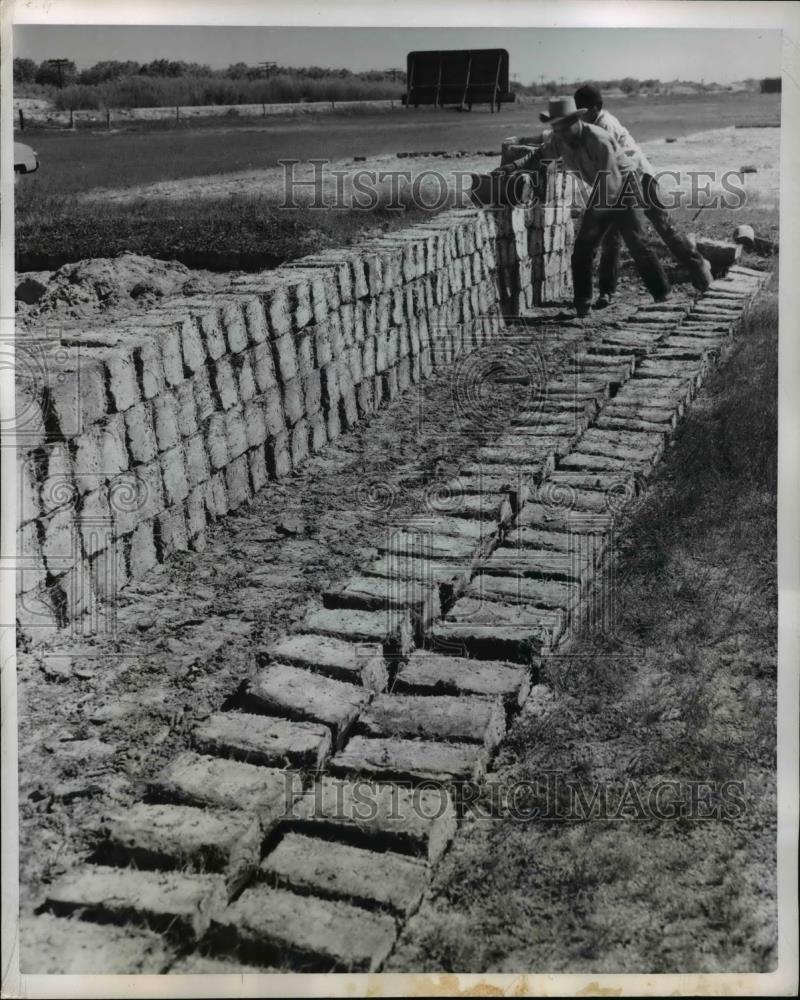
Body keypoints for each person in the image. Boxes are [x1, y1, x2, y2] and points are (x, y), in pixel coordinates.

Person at [497, 96, 670, 318]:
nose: (561, 132)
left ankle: (662, 294)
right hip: (602, 187)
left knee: (637, 242)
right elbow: (539, 155)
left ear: (576, 121)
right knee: (583, 248)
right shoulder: (560, 139)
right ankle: (582, 303)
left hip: (624, 187)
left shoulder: (598, 139)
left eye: (565, 126)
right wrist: (510, 167)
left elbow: (611, 179)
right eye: (557, 127)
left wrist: (596, 213)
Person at [573, 83, 712, 306]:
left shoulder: (604, 126)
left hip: (640, 176)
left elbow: (612, 165)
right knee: (612, 235)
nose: (582, 115)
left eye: (585, 110)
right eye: (578, 110)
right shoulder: (593, 126)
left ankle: (699, 266)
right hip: (621, 182)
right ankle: (606, 291)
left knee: (663, 226)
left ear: (597, 107)